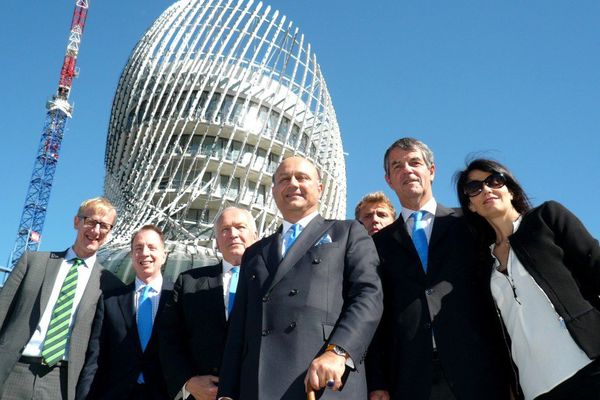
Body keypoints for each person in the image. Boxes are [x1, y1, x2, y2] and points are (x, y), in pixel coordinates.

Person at [217, 156, 383, 400]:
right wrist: (226, 394)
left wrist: (339, 351)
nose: (293, 184)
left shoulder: (346, 232)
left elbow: (369, 296)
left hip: (324, 381)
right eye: (284, 179)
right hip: (258, 386)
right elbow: (238, 329)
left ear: (320, 188)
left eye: (302, 178)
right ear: (273, 191)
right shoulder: (254, 253)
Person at [366, 138, 511, 400]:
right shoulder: (376, 244)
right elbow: (374, 314)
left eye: (415, 162)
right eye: (397, 166)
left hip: (480, 370)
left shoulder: (471, 224)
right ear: (389, 180)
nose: (407, 170)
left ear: (431, 171)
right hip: (410, 379)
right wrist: (377, 381)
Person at [455, 158, 600, 400]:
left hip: (588, 365)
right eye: (474, 188)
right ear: (470, 206)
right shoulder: (481, 267)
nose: (487, 190)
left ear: (510, 189)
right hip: (535, 388)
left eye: (494, 181)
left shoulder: (547, 218)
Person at [0, 197, 124, 400]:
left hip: (62, 382)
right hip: (13, 370)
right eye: (90, 221)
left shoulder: (110, 285)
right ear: (77, 222)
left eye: (104, 226)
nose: (95, 231)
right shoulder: (33, 263)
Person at [159, 207, 258, 400]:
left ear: (256, 236)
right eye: (225, 230)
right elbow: (169, 339)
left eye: (240, 227)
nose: (233, 234)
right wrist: (188, 381)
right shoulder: (189, 282)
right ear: (217, 242)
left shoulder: (272, 282)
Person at [79, 225, 172, 399]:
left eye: (152, 247)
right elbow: (95, 358)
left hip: (165, 394)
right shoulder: (110, 301)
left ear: (164, 255)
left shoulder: (178, 298)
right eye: (138, 248)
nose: (144, 253)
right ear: (131, 255)